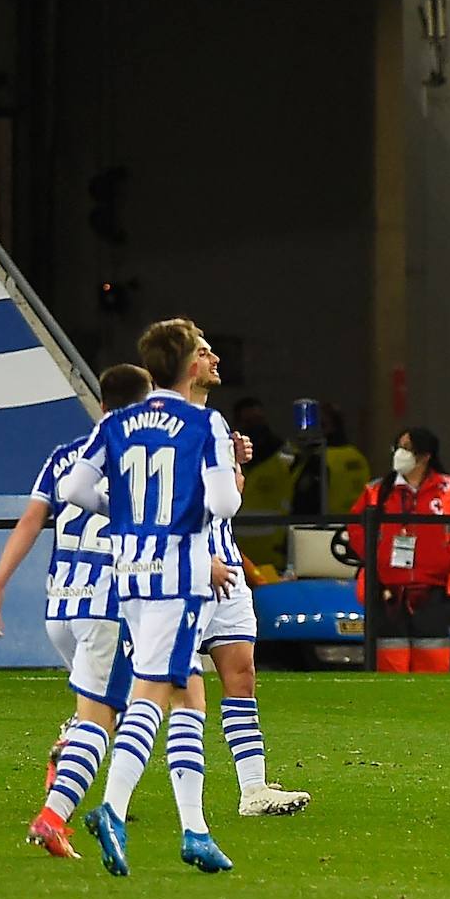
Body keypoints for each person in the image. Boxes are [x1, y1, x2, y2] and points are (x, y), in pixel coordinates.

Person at [61, 318, 242, 875]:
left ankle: (196, 830)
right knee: (154, 695)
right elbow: (224, 503)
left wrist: (125, 512)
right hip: (180, 576)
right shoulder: (202, 423)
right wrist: (218, 483)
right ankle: (111, 808)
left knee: (185, 691)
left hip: (130, 572)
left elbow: (73, 488)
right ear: (190, 365)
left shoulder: (120, 421)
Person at [0, 363, 153, 859]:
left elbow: (31, 523)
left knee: (102, 710)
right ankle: (54, 816)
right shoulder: (140, 459)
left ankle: (71, 764)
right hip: (107, 604)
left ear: (102, 405)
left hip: (61, 607)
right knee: (105, 717)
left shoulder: (64, 457)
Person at [190, 335, 310, 816]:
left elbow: (227, 504)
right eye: (203, 351)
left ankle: (253, 789)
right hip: (180, 572)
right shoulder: (161, 424)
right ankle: (92, 777)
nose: (215, 358)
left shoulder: (214, 425)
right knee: (159, 691)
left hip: (227, 571)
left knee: (241, 676)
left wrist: (232, 465)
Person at [347, 427, 450, 673]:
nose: (399, 453)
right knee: (389, 665)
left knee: (433, 664)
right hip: (387, 592)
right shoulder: (377, 490)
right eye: (397, 447)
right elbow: (356, 527)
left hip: (433, 591)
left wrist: (446, 559)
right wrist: (377, 558)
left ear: (425, 455)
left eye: (406, 448)